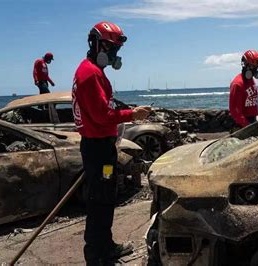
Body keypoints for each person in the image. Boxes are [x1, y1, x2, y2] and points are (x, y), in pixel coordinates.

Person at [71, 21, 151, 266]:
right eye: (110, 47)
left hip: (101, 148)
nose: (114, 54)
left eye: (116, 49)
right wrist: (132, 115)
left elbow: (103, 107)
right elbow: (101, 117)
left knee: (104, 197)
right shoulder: (90, 73)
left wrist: (123, 110)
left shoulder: (93, 71)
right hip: (98, 149)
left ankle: (105, 246)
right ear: (96, 45)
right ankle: (97, 254)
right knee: (100, 201)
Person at [229, 50, 258, 130]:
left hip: (252, 121)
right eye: (253, 66)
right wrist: (247, 127)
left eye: (257, 67)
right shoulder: (237, 84)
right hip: (242, 126)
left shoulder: (251, 80)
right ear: (245, 65)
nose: (255, 70)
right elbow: (235, 111)